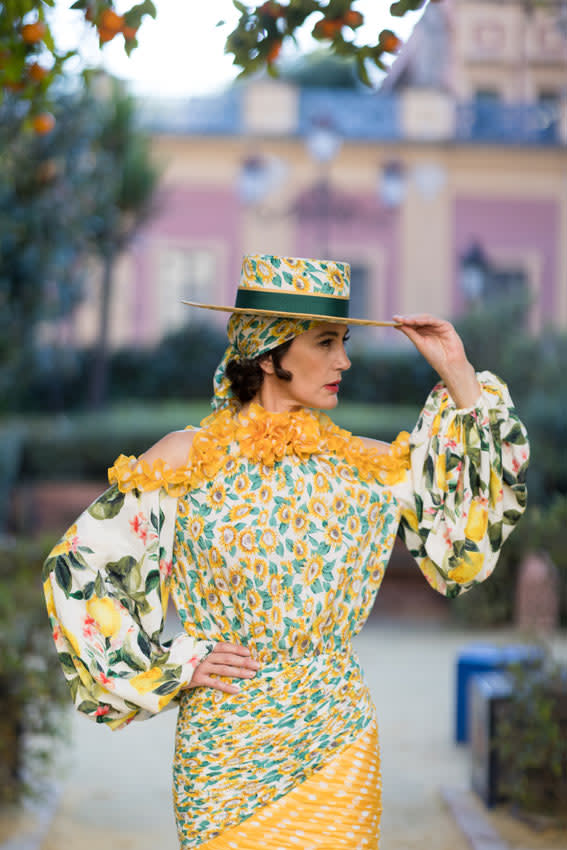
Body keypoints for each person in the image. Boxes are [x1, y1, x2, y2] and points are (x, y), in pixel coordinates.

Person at [43, 254, 529, 850]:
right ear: (270, 353)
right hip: (222, 752)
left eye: (345, 342)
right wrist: (175, 665)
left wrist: (458, 372)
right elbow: (79, 571)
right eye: (325, 343)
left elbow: (467, 546)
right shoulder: (184, 460)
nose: (344, 361)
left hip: (337, 745)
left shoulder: (369, 466)